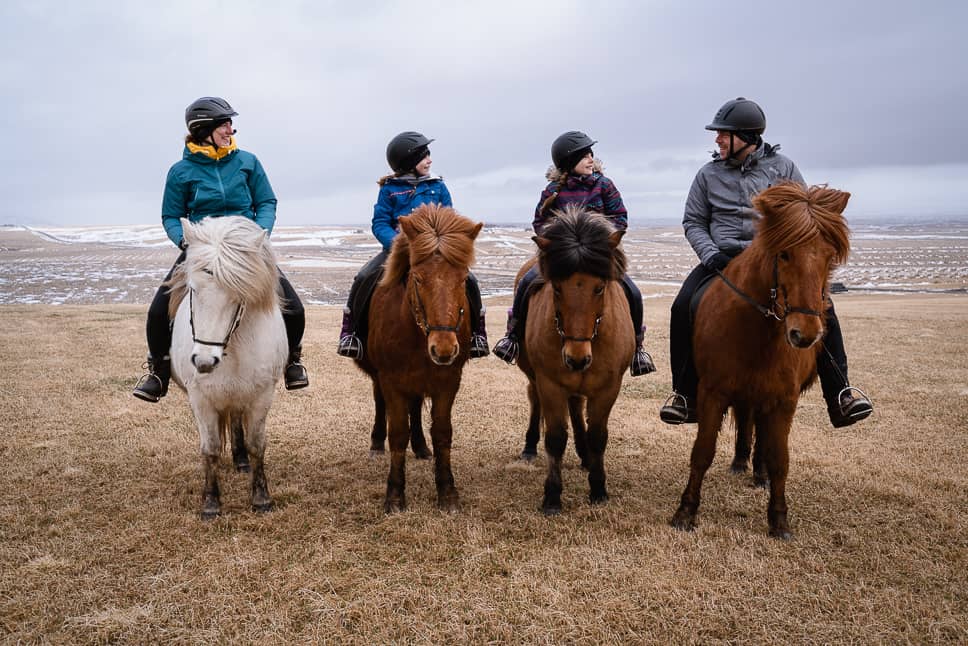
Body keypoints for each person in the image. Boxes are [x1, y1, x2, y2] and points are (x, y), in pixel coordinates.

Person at [658, 97, 873, 428]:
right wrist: (710, 253)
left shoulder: (783, 168)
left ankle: (841, 394)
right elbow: (693, 221)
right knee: (682, 305)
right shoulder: (707, 175)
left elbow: (806, 216)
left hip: (772, 259)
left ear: (746, 137)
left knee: (823, 306)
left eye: (723, 134)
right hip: (722, 258)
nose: (717, 140)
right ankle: (685, 396)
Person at [132, 96, 309, 402]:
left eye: (230, 124)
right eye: (225, 124)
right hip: (203, 247)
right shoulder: (180, 171)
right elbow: (170, 215)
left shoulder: (248, 162)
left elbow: (266, 201)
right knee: (159, 310)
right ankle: (158, 371)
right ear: (204, 130)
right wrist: (186, 242)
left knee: (293, 306)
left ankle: (292, 361)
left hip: (245, 249)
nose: (231, 130)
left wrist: (260, 234)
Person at [492, 131, 656, 377]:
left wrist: (596, 239)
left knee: (632, 291)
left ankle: (637, 348)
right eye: (584, 156)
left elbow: (620, 218)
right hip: (562, 257)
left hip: (596, 256)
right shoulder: (552, 191)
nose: (591, 159)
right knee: (527, 282)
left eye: (591, 154)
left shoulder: (604, 185)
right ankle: (513, 337)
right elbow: (540, 222)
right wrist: (561, 244)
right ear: (569, 162)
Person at [336, 131, 489, 359]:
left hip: (435, 254)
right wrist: (397, 244)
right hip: (397, 252)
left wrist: (443, 243)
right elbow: (380, 223)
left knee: (470, 281)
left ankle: (478, 334)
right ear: (409, 162)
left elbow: (449, 219)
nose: (430, 160)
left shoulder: (438, 186)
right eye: (424, 156)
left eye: (428, 155)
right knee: (363, 277)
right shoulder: (389, 189)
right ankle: (351, 333)